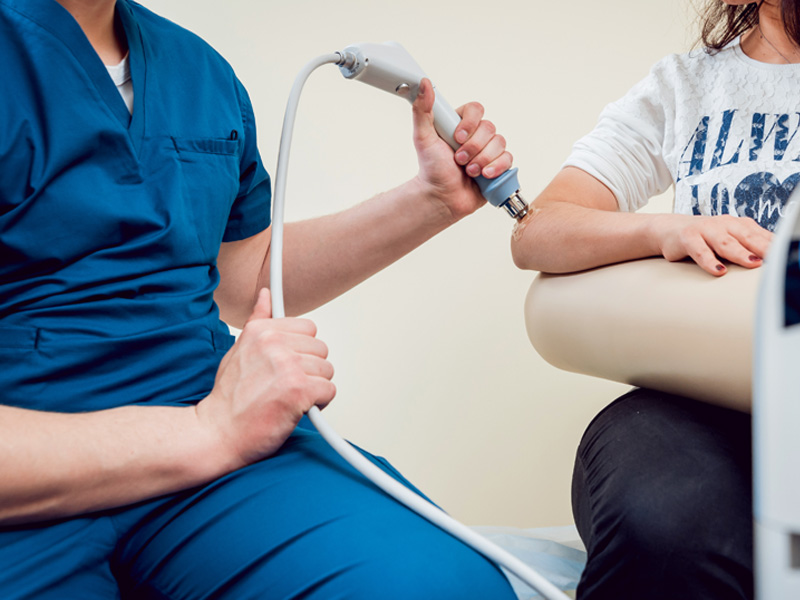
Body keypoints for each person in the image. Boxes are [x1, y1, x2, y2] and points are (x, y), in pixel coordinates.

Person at [0, 0, 519, 598]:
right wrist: (208, 431)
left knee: (442, 586)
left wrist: (430, 201)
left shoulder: (197, 72)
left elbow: (238, 276)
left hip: (207, 446)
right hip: (32, 467)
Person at [511, 0, 798, 598]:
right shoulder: (686, 85)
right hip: (692, 409)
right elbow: (537, 231)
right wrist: (667, 231)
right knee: (667, 529)